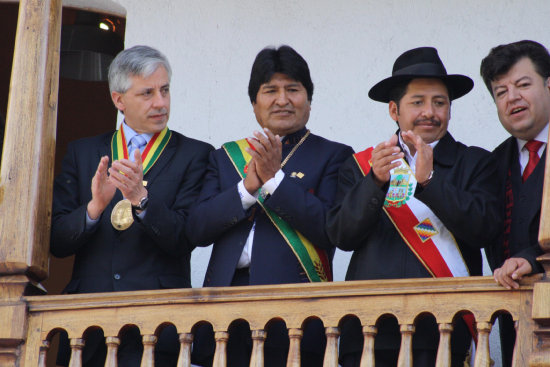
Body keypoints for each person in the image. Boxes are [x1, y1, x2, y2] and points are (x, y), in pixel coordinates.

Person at [326, 47, 501, 367]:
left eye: (440, 102)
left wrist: (430, 182)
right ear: (394, 110)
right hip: (369, 331)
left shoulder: (476, 162)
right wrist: (374, 182)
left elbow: (485, 229)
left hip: (444, 330)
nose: (430, 112)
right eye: (417, 102)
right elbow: (341, 236)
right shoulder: (361, 165)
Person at [188, 45, 353, 367]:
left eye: (293, 89)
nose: (282, 100)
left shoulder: (334, 155)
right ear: (254, 103)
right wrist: (247, 188)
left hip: (297, 312)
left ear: (308, 99)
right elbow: (197, 228)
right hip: (223, 310)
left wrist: (274, 181)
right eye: (270, 90)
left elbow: (331, 228)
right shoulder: (224, 157)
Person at [50, 45, 213, 366]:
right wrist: (94, 208)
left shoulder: (195, 154)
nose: (161, 103)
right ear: (118, 100)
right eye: (147, 93)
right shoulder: (83, 152)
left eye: (165, 90)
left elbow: (186, 237)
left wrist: (141, 199)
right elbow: (56, 241)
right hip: (88, 327)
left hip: (158, 326)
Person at [480, 40, 550, 367]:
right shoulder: (493, 163)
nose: (513, 97)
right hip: (516, 321)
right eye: (501, 92)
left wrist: (532, 261)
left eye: (523, 85)